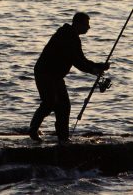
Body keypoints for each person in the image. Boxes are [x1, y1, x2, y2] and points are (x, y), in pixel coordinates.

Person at [29, 11, 109, 143]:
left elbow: (81, 59)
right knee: (50, 102)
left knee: (64, 105)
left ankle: (63, 136)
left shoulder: (73, 37)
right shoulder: (67, 36)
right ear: (78, 24)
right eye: (86, 24)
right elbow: (77, 62)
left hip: (56, 76)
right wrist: (95, 69)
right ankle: (33, 130)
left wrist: (97, 66)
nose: (88, 27)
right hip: (45, 73)